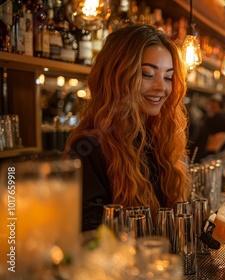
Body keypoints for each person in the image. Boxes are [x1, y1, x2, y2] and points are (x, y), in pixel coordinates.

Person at [64, 24, 191, 232]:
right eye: (148, 74)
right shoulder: (88, 148)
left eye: (168, 77)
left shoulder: (156, 139)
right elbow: (90, 240)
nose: (162, 87)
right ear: (116, 77)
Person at [190, 94, 225, 163]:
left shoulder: (215, 119)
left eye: (212, 105)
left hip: (220, 155)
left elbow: (207, 140)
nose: (210, 107)